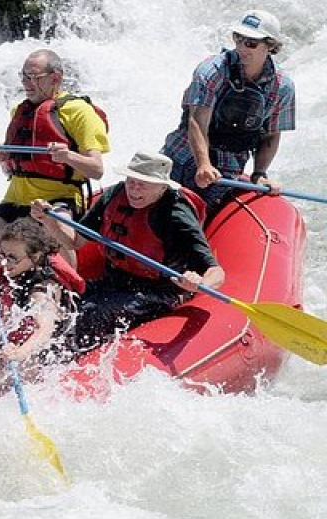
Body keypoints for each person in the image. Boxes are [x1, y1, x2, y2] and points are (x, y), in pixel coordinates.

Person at [32, 150, 225, 353]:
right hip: (113, 281)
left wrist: (198, 283)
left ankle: (60, 362)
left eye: (143, 183)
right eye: (131, 180)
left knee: (95, 312)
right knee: (56, 291)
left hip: (157, 292)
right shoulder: (115, 195)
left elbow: (216, 272)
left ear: (162, 187)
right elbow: (74, 241)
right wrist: (48, 221)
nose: (134, 189)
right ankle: (35, 346)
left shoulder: (177, 215)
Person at [0, 48, 110, 253]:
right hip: (14, 200)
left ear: (55, 77)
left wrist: (67, 155)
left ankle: (65, 281)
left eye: (33, 77)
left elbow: (96, 169)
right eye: (23, 76)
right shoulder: (21, 111)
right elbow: (6, 156)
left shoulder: (79, 111)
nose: (26, 84)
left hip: (56, 200)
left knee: (65, 241)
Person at [161, 9, 295, 214]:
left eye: (251, 43)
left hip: (227, 167)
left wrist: (259, 173)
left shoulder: (283, 87)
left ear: (270, 46)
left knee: (193, 219)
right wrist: (203, 164)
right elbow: (197, 122)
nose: (241, 47)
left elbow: (271, 135)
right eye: (238, 38)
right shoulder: (212, 70)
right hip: (182, 155)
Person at [0, 218, 85, 402]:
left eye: (12, 258)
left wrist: (20, 353)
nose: (4, 262)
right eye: (2, 254)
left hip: (39, 357)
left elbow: (44, 328)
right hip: (8, 345)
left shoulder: (43, 287)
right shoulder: (6, 263)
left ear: (34, 257)